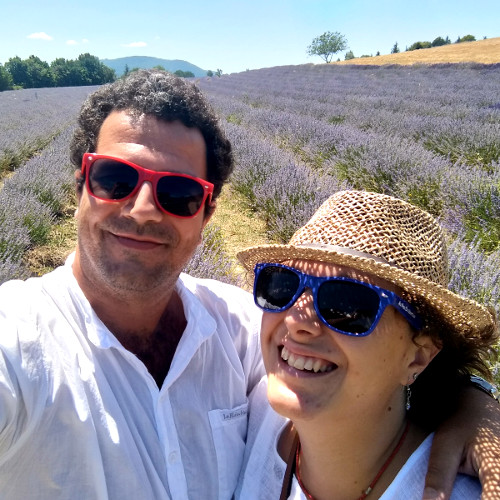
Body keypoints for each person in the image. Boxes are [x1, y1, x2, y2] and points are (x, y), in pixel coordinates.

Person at [0, 70, 497, 499]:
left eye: (348, 305)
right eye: (114, 178)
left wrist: (470, 399)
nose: (142, 208)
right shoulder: (17, 341)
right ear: (80, 186)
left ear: (207, 214)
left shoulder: (239, 332)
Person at [235, 190, 500, 499]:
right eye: (282, 285)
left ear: (418, 356)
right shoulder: (245, 402)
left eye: (346, 304)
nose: (296, 320)